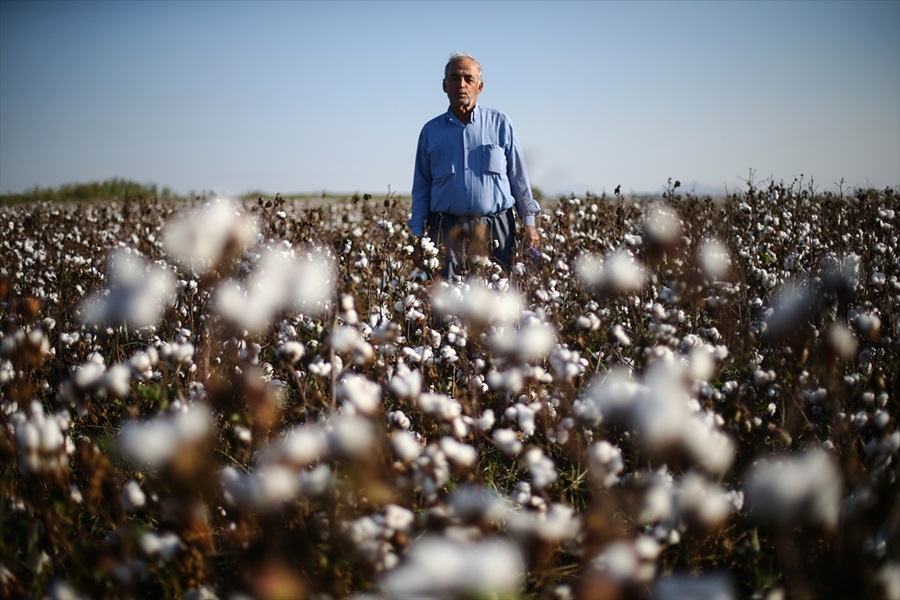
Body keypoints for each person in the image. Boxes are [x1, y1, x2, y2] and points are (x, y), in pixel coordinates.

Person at [409, 53, 541, 279]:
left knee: (496, 302)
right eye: (454, 78)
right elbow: (421, 186)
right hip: (445, 229)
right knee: (447, 303)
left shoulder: (500, 123)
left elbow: (518, 177)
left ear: (479, 86)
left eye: (468, 79)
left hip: (496, 228)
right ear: (444, 85)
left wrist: (529, 222)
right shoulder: (430, 131)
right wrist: (417, 234)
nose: (461, 85)